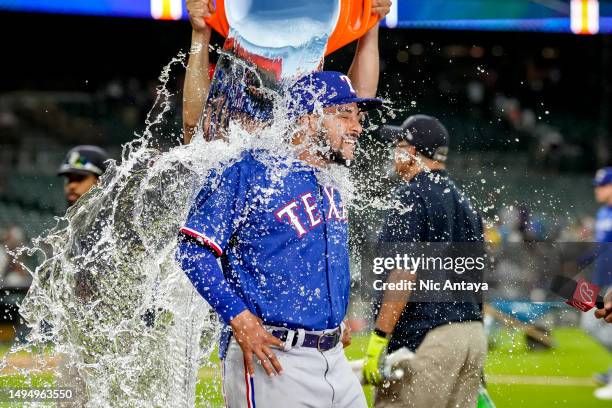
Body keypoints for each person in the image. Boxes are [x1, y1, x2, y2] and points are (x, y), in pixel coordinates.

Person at [177, 71, 383, 407]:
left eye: (358, 117)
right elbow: (192, 251)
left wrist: (328, 314)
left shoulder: (329, 177)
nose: (357, 127)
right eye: (344, 114)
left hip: (334, 357)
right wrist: (238, 318)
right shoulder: (251, 169)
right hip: (273, 357)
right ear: (308, 119)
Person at [362, 115, 487, 408]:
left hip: (427, 339)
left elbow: (403, 274)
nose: (395, 152)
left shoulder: (411, 194)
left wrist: (379, 339)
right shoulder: (464, 201)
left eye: (399, 144)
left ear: (414, 152)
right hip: (472, 335)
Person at [182, 0, 391, 143]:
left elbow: (193, 128)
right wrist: (369, 23)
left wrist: (370, 20)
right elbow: (193, 127)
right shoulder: (304, 136)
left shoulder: (227, 136)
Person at [585, 167, 612, 400]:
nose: (597, 189)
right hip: (600, 281)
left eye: (602, 185)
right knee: (588, 323)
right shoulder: (603, 213)